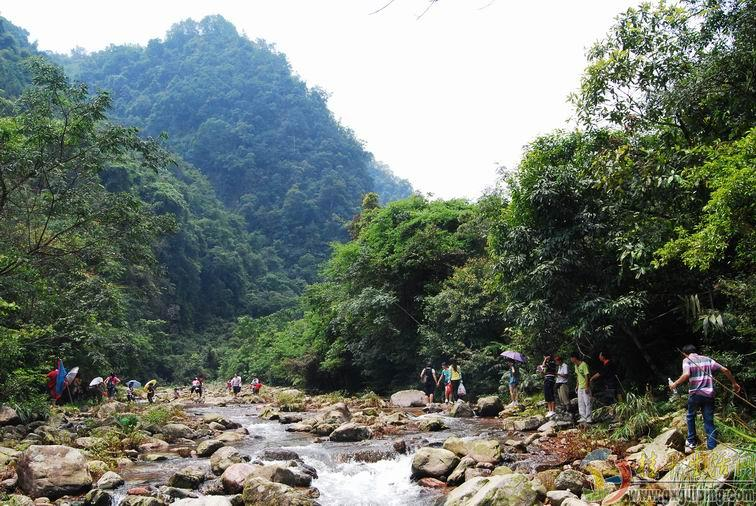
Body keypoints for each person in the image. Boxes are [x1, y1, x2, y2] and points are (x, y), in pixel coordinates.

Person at [669, 344, 741, 451]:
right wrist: (734, 384)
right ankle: (712, 448)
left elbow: (686, 374)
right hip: (709, 395)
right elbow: (725, 370)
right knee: (708, 420)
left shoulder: (687, 360)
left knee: (690, 417)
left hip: (696, 394)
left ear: (685, 353)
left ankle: (692, 441)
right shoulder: (707, 359)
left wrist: (674, 384)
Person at [570, 353, 591, 423]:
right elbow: (578, 376)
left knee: (587, 402)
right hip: (580, 387)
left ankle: (589, 418)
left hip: (585, 386)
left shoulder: (583, 364)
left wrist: (587, 386)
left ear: (575, 358)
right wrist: (577, 385)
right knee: (580, 402)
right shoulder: (576, 366)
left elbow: (587, 376)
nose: (571, 359)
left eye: (571, 358)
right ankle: (583, 417)